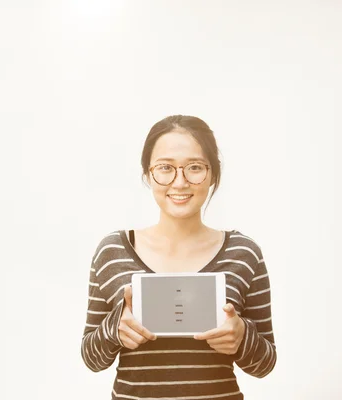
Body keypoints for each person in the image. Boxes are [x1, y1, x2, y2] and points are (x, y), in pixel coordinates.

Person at [81, 115, 277, 399]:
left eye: (194, 167)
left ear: (212, 175)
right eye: (165, 168)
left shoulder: (243, 253)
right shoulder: (113, 251)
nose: (180, 182)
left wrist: (242, 336)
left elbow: (265, 365)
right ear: (148, 175)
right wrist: (114, 329)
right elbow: (92, 359)